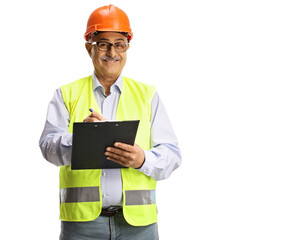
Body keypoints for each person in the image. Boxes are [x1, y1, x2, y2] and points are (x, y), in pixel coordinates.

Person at [39, 4, 182, 240]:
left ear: (127, 47)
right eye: (103, 43)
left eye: (119, 44)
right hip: (82, 226)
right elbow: (48, 148)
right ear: (89, 48)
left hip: (139, 226)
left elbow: (172, 154)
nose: (112, 52)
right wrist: (81, 139)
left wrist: (143, 159)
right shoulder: (66, 94)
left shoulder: (147, 95)